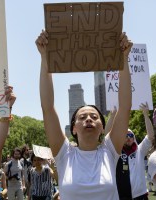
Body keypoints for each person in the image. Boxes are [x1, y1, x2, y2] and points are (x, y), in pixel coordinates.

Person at [36, 30, 133, 199]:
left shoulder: (110, 151)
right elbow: (48, 107)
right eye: (82, 117)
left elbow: (124, 107)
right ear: (73, 128)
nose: (89, 119)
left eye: (94, 117)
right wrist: (45, 57)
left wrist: (124, 58)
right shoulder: (63, 153)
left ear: (103, 128)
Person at [106, 103, 154, 200]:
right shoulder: (115, 152)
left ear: (134, 138)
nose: (128, 138)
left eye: (131, 135)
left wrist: (145, 115)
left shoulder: (140, 150)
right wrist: (112, 116)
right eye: (125, 135)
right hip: (121, 196)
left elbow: (150, 136)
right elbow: (107, 137)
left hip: (140, 196)